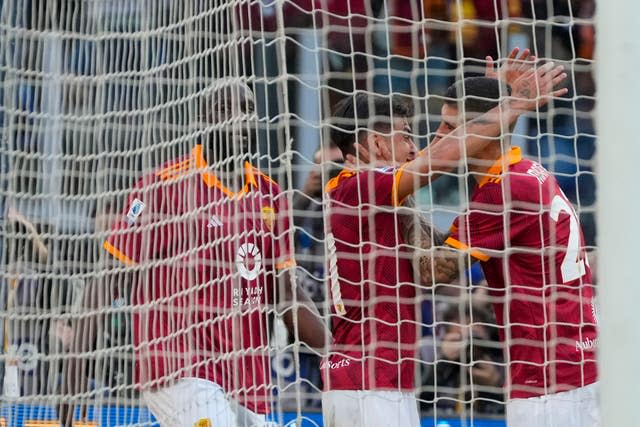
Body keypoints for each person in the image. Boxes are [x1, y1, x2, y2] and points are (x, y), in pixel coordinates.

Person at [59, 80, 328, 427]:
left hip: (248, 378)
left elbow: (286, 293)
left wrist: (340, 357)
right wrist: (74, 367)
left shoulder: (270, 195)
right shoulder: (164, 186)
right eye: (225, 110)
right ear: (202, 119)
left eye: (247, 110)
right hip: (178, 368)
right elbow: (109, 279)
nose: (239, 120)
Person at [321, 57, 567, 427]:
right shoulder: (357, 187)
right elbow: (441, 160)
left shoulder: (365, 196)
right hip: (368, 379)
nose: (415, 146)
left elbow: (431, 244)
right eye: (406, 135)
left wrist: (489, 104)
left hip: (371, 378)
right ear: (376, 142)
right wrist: (510, 104)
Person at [401, 75, 598, 426]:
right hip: (575, 363)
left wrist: (393, 194)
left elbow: (430, 272)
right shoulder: (526, 172)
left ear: (484, 131)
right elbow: (447, 247)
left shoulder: (501, 192)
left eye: (451, 126)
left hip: (548, 378)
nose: (438, 138)